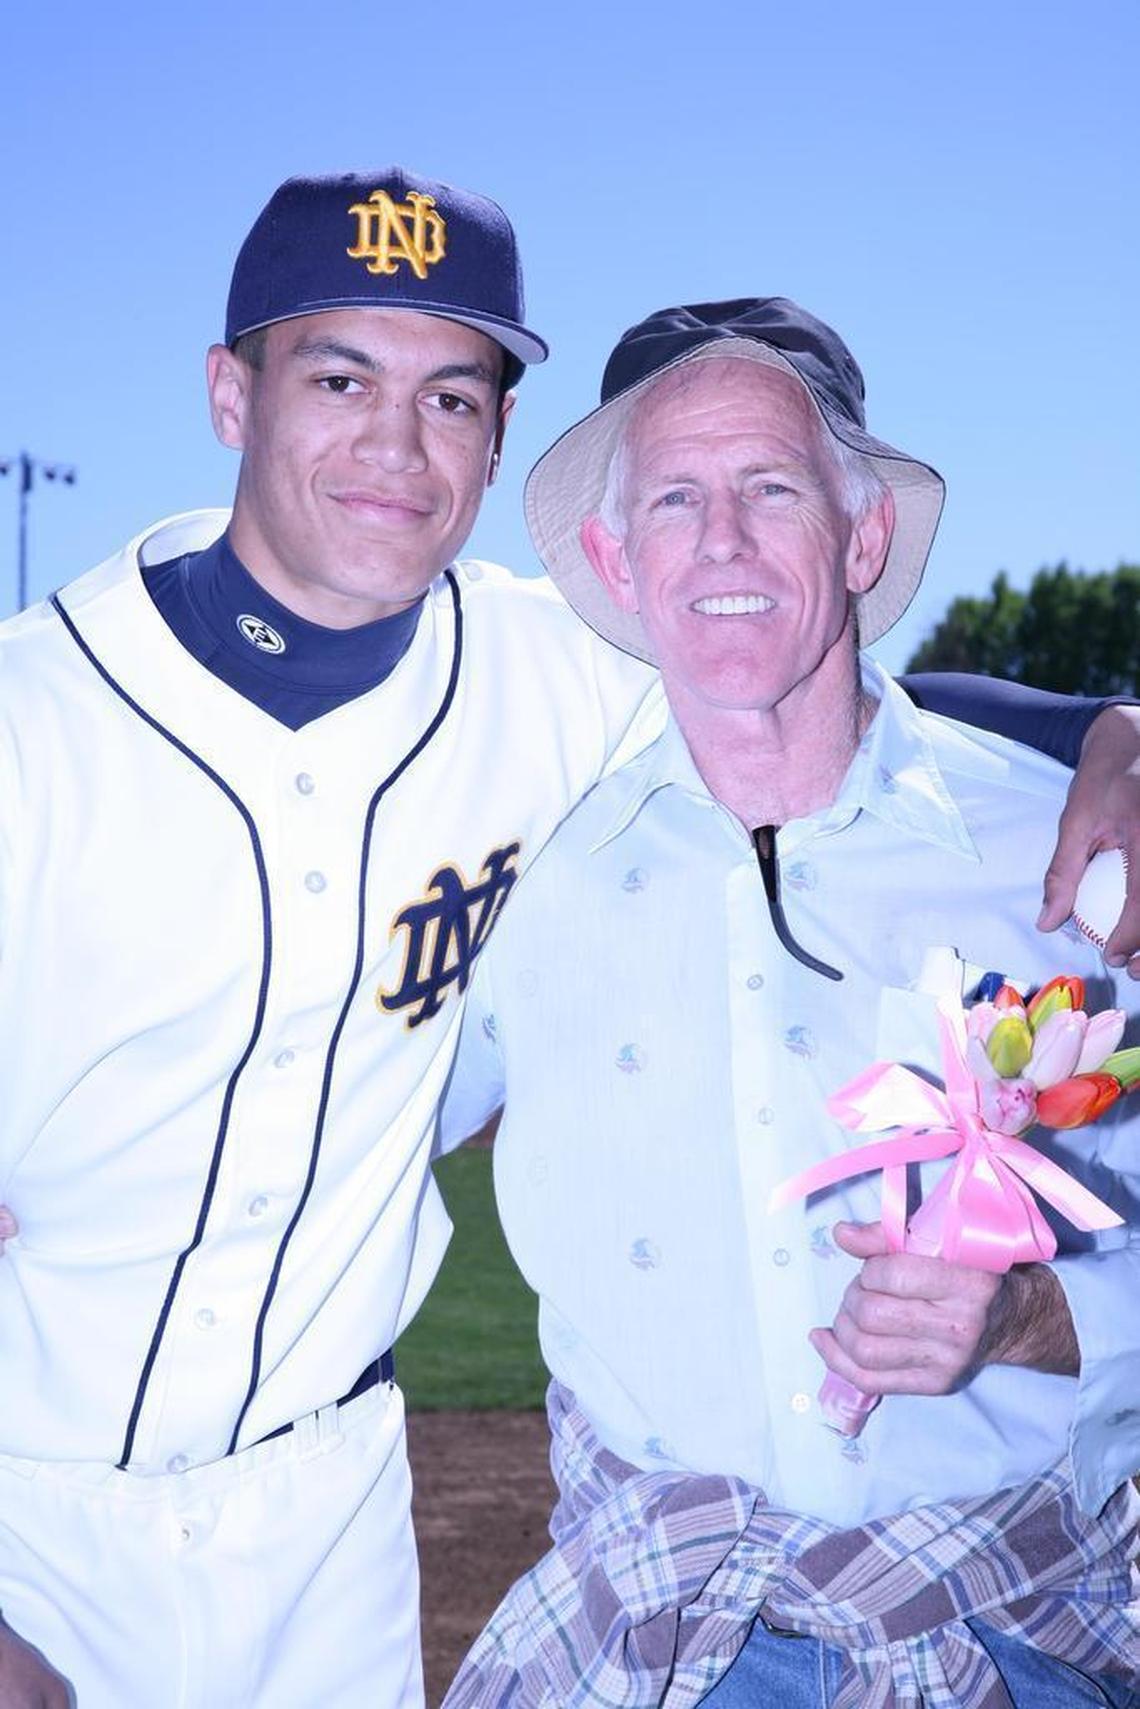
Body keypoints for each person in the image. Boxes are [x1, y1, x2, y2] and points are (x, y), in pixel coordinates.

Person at [0, 183, 1134, 1709]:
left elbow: (873, 713)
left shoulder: (1040, 846)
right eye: (340, 377)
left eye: (450, 395)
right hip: (75, 1524)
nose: (397, 445)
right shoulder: (54, 725)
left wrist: (1110, 732)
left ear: (864, 531)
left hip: (375, 1537)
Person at [438, 300, 1140, 1707]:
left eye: (772, 488)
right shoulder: (513, 877)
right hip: (653, 1640)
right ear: (611, 557)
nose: (724, 542)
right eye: (676, 500)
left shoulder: (1065, 857)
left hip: (1014, 1627)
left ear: (861, 539)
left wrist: (1030, 1319)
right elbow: (289, 1133)